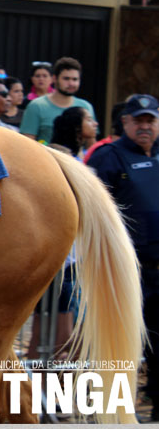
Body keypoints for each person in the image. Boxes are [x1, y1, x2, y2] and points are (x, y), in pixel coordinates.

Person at [86, 94, 159, 419]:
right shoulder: (108, 157)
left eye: (150, 120)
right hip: (126, 270)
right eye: (138, 120)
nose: (145, 126)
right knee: (121, 342)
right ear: (125, 123)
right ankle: (113, 410)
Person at [20, 56, 95, 144]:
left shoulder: (86, 107)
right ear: (54, 79)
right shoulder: (36, 106)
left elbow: (91, 145)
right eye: (66, 79)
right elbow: (27, 143)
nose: (71, 83)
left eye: (75, 79)